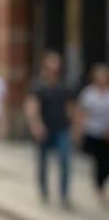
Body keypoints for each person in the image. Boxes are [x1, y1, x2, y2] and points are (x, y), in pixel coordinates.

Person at [25, 51, 75, 210]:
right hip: (44, 129)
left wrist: (74, 127)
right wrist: (36, 125)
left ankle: (64, 195)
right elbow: (32, 105)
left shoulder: (64, 85)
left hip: (61, 128)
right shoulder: (38, 85)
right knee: (43, 161)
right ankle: (44, 191)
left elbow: (69, 107)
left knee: (65, 160)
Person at [73, 63, 109, 207]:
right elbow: (82, 112)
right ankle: (99, 187)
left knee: (106, 162)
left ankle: (102, 183)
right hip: (93, 131)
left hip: (107, 132)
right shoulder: (88, 93)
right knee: (99, 161)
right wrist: (78, 129)